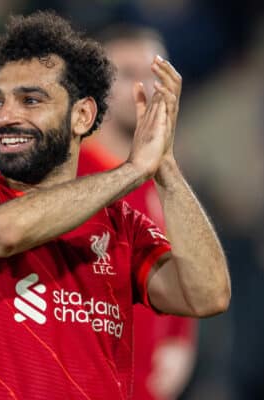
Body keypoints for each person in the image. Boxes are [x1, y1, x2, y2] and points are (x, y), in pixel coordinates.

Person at [0, 11, 230, 400]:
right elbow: (3, 233)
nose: (6, 116)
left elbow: (206, 295)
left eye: (30, 100)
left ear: (82, 115)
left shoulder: (122, 225)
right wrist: (134, 169)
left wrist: (165, 166)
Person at [77, 26, 198, 400]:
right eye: (128, 74)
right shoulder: (67, 173)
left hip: (144, 385)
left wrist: (181, 337)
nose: (144, 86)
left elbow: (183, 263)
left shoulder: (165, 176)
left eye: (155, 74)